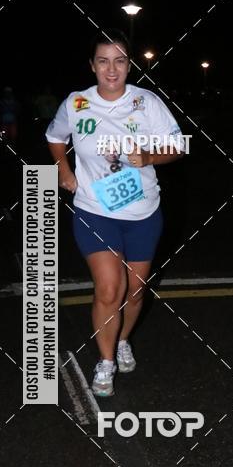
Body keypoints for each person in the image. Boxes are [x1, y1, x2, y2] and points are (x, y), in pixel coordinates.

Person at [46, 30, 185, 397]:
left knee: (135, 293)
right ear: (92, 66)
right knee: (110, 288)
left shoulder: (147, 102)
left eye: (120, 61)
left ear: (129, 65)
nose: (112, 69)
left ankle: (122, 339)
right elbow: (55, 136)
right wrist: (63, 168)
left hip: (143, 210)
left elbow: (178, 145)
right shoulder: (76, 103)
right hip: (95, 209)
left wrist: (150, 157)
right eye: (103, 61)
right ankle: (105, 361)